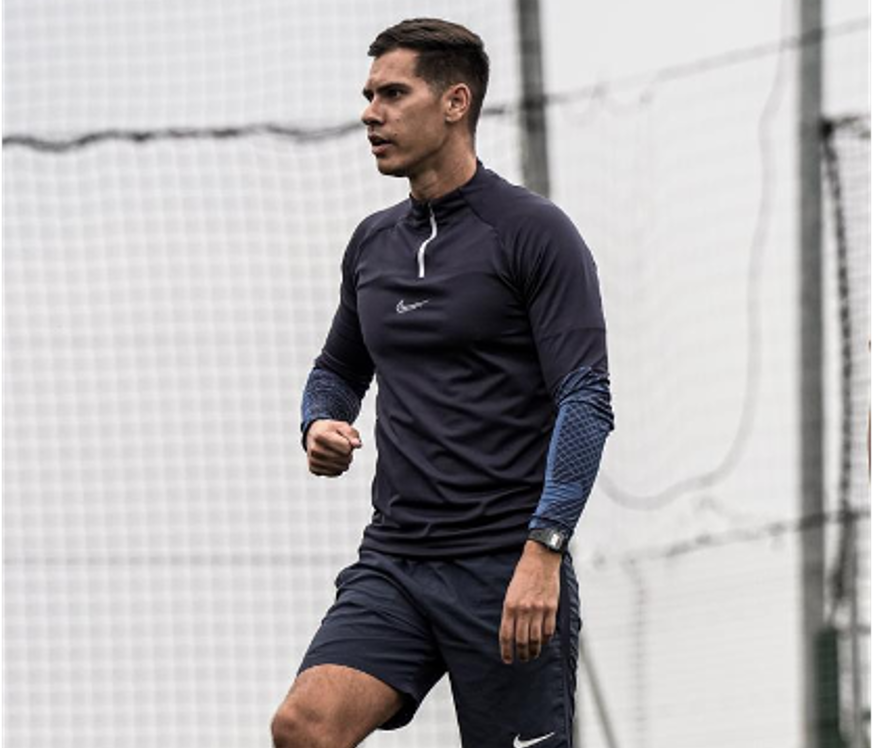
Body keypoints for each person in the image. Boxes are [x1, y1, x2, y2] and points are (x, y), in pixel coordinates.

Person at [271, 18, 614, 748]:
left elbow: (586, 400)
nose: (371, 113)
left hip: (508, 569)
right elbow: (337, 370)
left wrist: (544, 551)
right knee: (304, 728)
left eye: (393, 94)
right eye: (368, 95)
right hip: (395, 563)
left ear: (456, 102)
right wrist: (318, 421)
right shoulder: (372, 243)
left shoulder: (533, 233)